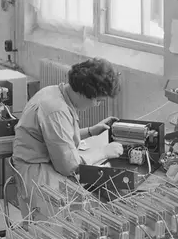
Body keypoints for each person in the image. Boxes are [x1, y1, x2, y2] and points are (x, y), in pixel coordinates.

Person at [11, 57, 124, 215]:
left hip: (43, 164)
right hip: (38, 175)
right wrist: (104, 152)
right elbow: (69, 166)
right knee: (67, 222)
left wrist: (91, 131)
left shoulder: (54, 91)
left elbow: (57, 138)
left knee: (84, 207)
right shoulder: (56, 109)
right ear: (85, 93)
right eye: (98, 100)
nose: (97, 105)